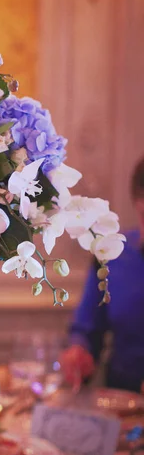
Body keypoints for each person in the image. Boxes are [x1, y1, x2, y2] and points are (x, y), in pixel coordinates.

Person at [60, 157, 144, 393]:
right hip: (123, 401)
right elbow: (87, 329)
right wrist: (79, 351)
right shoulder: (112, 254)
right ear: (138, 202)